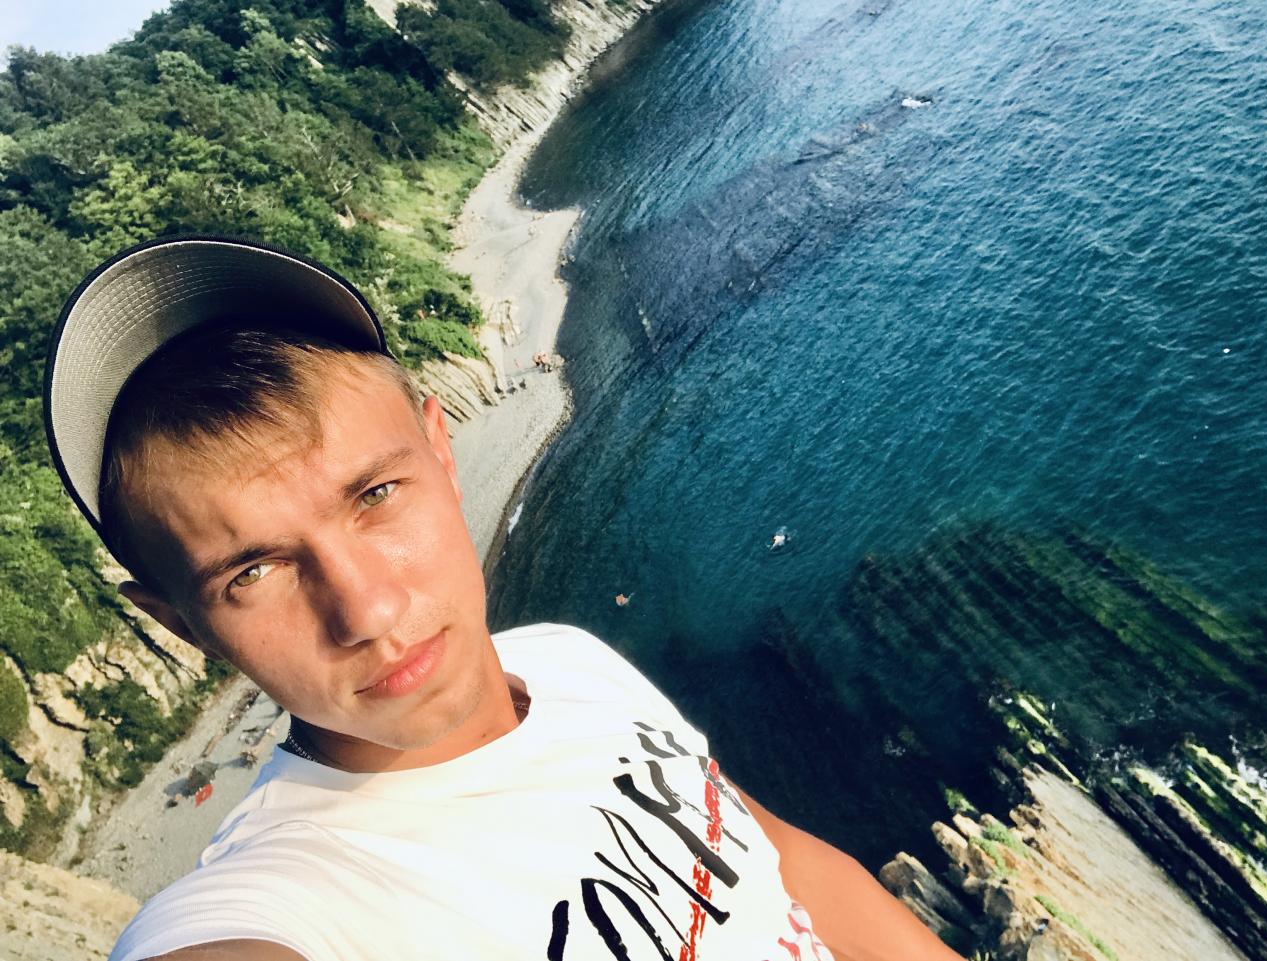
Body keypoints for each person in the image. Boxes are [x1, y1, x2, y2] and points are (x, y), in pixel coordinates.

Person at [44, 237, 961, 961]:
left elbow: (785, 865)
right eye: (251, 572)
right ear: (182, 625)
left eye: (375, 494)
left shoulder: (567, 657)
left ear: (441, 450)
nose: (367, 611)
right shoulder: (293, 900)